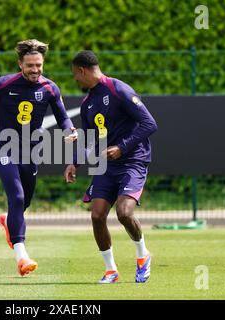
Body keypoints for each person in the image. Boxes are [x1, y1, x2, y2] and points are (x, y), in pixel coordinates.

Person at [0, 39, 77, 276]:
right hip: (5, 149)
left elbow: (62, 116)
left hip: (31, 151)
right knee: (16, 197)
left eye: (39, 64)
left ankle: (9, 221)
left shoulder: (50, 88)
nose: (35, 69)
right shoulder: (2, 84)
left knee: (23, 203)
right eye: (30, 65)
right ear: (20, 64)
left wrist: (70, 129)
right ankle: (22, 257)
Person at [64, 50, 158, 283]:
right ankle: (111, 270)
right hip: (105, 165)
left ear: (82, 70)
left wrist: (122, 147)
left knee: (124, 213)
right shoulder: (87, 104)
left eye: (76, 74)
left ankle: (142, 255)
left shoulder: (118, 89)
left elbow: (149, 123)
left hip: (132, 161)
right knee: (97, 216)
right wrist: (74, 162)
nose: (76, 79)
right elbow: (88, 140)